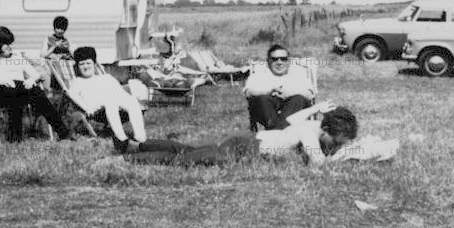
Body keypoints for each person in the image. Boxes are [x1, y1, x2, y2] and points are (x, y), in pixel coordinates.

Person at [117, 100, 357, 166]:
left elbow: (292, 119)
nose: (333, 146)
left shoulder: (311, 125)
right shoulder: (309, 132)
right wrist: (344, 156)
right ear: (326, 129)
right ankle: (126, 159)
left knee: (186, 149)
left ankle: (136, 146)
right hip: (242, 148)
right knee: (184, 160)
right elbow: (318, 163)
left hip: (247, 143)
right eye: (334, 142)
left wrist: (315, 108)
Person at [0, 26, 72, 142]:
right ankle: (15, 138)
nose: (9, 46)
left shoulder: (17, 58)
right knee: (15, 92)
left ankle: (63, 133)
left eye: (10, 43)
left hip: (21, 90)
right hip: (0, 92)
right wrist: (0, 80)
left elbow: (35, 74)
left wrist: (32, 79)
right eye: (6, 43)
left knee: (37, 93)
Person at [67, 47, 147, 152]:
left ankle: (140, 137)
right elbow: (72, 94)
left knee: (131, 100)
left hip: (117, 104)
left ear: (94, 64)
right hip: (99, 110)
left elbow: (120, 93)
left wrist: (129, 100)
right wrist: (86, 108)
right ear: (77, 66)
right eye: (82, 64)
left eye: (88, 63)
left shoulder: (106, 77)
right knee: (111, 102)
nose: (85, 67)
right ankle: (122, 139)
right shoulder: (77, 81)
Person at [244, 44, 315, 131]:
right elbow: (248, 92)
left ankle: (276, 134)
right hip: (268, 109)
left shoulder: (298, 73)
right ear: (268, 61)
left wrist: (289, 94)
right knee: (262, 99)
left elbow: (310, 94)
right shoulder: (260, 73)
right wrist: (268, 92)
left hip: (293, 107)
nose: (279, 62)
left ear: (289, 61)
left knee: (298, 99)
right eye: (274, 59)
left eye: (283, 59)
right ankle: (281, 134)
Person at [37, 16, 73, 97]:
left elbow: (72, 55)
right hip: (51, 67)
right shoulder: (48, 39)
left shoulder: (66, 41)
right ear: (54, 28)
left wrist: (68, 50)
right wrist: (54, 46)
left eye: (62, 29)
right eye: (58, 28)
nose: (60, 31)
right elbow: (42, 55)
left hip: (63, 67)